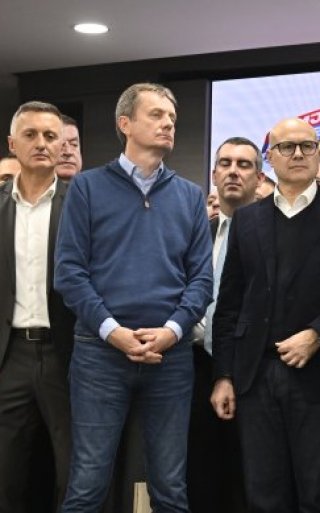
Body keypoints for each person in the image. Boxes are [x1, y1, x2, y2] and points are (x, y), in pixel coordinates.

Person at [55, 83, 213, 512]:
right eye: (156, 115)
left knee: (171, 487)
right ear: (125, 123)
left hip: (170, 356)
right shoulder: (87, 188)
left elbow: (202, 279)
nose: (168, 124)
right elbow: (69, 273)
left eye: (172, 118)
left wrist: (172, 331)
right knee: (87, 483)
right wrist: (113, 332)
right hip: (99, 355)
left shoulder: (190, 195)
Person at [210, 117, 320, 513]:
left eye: (307, 146)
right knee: (263, 497)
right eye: (287, 147)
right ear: (270, 158)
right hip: (255, 380)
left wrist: (318, 334)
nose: (298, 154)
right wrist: (223, 375)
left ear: (318, 153)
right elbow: (230, 303)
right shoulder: (247, 220)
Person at [0, 101, 76, 513]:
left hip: (68, 352)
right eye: (31, 135)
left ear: (63, 144)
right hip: (9, 356)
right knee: (6, 472)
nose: (42, 143)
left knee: (74, 471)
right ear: (13, 144)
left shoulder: (81, 204)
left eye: (51, 136)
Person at [188, 137, 263, 513]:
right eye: (226, 164)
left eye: (244, 164)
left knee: (246, 478)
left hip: (249, 369)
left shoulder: (269, 234)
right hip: (195, 364)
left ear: (260, 178)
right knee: (200, 474)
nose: (233, 172)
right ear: (214, 174)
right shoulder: (197, 233)